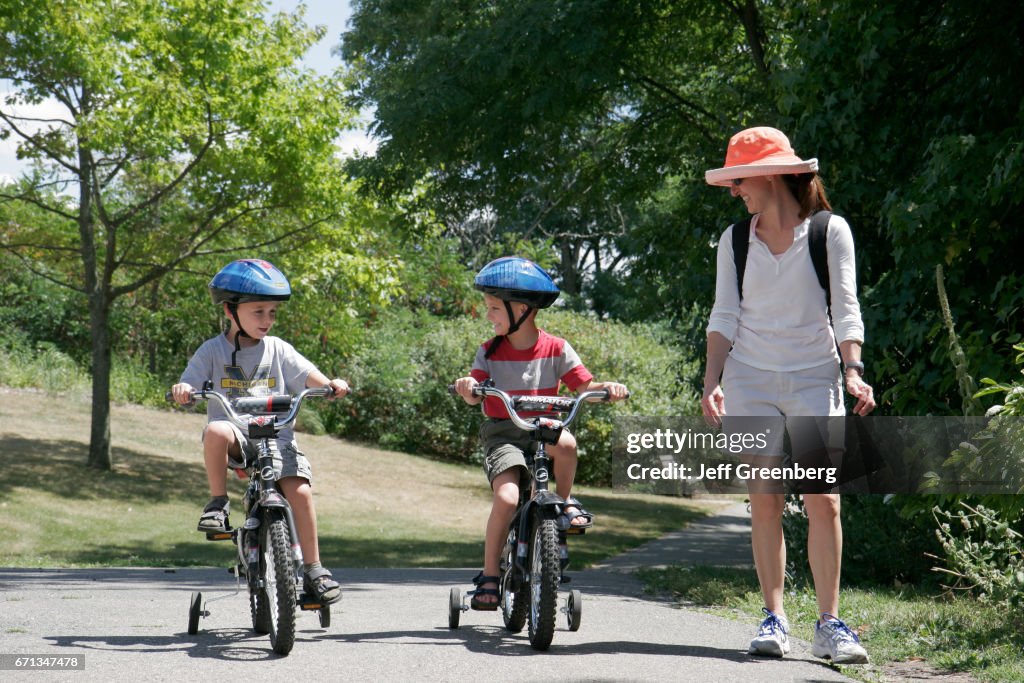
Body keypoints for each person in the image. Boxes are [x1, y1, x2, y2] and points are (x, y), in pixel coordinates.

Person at [700, 127, 876, 664]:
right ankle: (774, 620)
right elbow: (724, 314)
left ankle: (830, 624)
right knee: (767, 497)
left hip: (814, 376)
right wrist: (712, 381)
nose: (734, 190)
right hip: (750, 377)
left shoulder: (829, 231)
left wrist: (853, 369)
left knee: (823, 499)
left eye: (739, 179)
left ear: (770, 174)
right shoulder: (734, 241)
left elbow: (845, 309)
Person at [452, 256, 629, 610]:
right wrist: (468, 387)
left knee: (566, 442)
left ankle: (562, 503)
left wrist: (604, 388)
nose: (488, 316)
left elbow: (585, 386)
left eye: (493, 308)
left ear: (521, 308)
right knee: (505, 498)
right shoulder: (489, 351)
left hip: (543, 430)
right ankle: (489, 574)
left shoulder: (557, 348)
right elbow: (476, 390)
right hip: (504, 433)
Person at [171, 258, 350, 604]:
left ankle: (314, 569)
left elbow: (308, 374)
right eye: (258, 312)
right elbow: (188, 383)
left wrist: (330, 384)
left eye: (272, 312)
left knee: (300, 492)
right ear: (230, 310)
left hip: (277, 438)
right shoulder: (212, 351)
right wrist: (182, 390)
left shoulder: (278, 349)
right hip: (238, 437)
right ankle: (217, 504)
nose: (267, 320)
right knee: (216, 430)